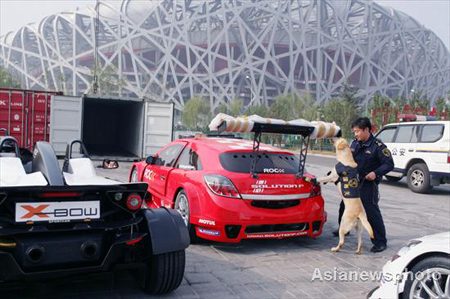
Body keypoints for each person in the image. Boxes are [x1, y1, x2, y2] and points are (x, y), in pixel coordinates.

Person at [332, 117, 394, 253]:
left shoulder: (378, 147)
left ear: (366, 130)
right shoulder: (355, 143)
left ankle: (380, 242)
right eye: (354, 132)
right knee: (343, 206)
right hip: (352, 182)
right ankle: (345, 229)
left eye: (357, 131)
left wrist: (376, 173)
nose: (356, 134)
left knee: (371, 213)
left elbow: (389, 164)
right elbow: (346, 160)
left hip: (367, 184)